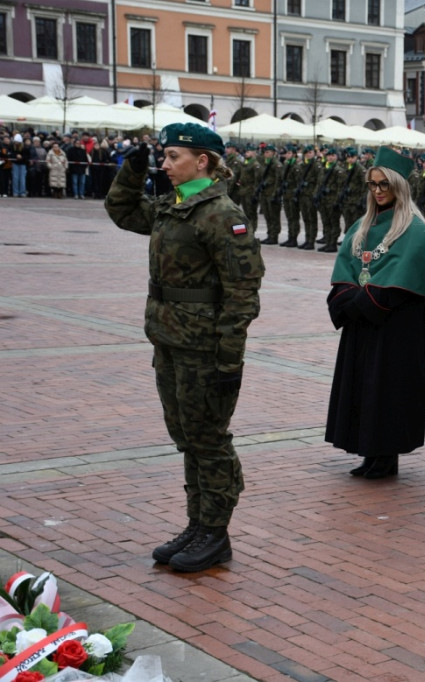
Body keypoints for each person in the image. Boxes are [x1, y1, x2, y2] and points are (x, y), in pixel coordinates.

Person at [104, 122, 264, 572]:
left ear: (203, 161)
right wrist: (131, 172)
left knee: (209, 439)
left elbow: (243, 292)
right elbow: (122, 212)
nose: (165, 164)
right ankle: (197, 525)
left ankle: (215, 532)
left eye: (174, 156)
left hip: (204, 348)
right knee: (187, 437)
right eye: (164, 156)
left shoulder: (221, 213)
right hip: (169, 339)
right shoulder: (174, 206)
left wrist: (229, 358)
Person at [325, 147, 425, 479]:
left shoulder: (416, 230)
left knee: (388, 390)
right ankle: (368, 451)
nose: (377, 191)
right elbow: (346, 269)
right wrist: (348, 299)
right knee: (362, 386)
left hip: (395, 328)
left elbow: (398, 280)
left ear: (399, 186)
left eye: (384, 185)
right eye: (372, 184)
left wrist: (359, 303)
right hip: (363, 324)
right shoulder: (363, 225)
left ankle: (386, 456)